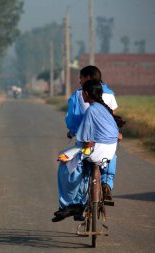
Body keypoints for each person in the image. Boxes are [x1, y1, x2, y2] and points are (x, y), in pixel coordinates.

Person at [52, 79, 126, 222]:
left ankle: (70, 204)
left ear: (86, 93)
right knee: (83, 157)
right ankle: (105, 185)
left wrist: (82, 140)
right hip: (110, 151)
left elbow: (83, 137)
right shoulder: (105, 109)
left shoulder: (91, 110)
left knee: (66, 161)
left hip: (96, 151)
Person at [65, 65, 119, 200]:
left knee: (77, 164)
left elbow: (74, 118)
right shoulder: (110, 94)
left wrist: (72, 131)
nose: (79, 81)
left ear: (88, 79)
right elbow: (112, 117)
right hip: (108, 141)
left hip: (88, 140)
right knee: (112, 156)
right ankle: (107, 183)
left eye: (81, 78)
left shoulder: (79, 94)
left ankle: (78, 199)